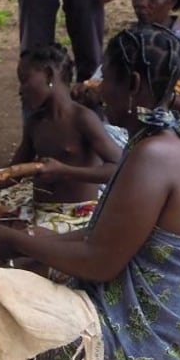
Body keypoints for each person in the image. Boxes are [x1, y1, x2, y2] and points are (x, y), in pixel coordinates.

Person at [0, 23, 180, 360]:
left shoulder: (153, 158)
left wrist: (16, 242)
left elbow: (99, 262)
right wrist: (30, 246)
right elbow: (102, 235)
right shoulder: (174, 144)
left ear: (134, 84)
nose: (97, 87)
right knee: (30, 268)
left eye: (106, 78)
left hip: (156, 351)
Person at [13, 43, 122, 232]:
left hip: (77, 219)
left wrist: (65, 171)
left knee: (22, 248)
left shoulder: (83, 119)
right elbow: (12, 172)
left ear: (48, 74)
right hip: (39, 213)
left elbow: (119, 169)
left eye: (24, 80)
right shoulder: (35, 123)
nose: (20, 90)